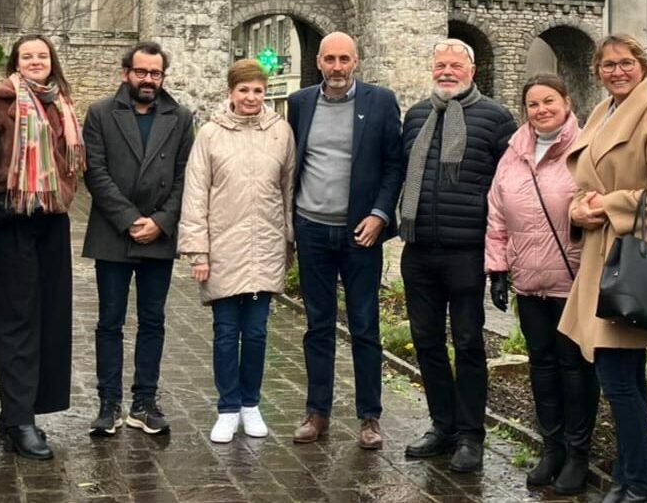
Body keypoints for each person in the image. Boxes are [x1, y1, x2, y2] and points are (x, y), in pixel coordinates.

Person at [560, 35, 647, 503]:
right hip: (602, 252)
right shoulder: (602, 112)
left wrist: (606, 206)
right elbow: (584, 180)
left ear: (642, 65)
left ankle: (641, 484)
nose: (616, 71)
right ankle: (628, 480)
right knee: (621, 377)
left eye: (625, 63)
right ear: (597, 71)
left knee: (616, 377)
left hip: (635, 254)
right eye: (607, 65)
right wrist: (578, 209)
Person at [400, 39, 516, 472]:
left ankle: (471, 435)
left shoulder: (495, 118)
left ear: (472, 70)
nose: (446, 72)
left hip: (467, 251)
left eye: (455, 65)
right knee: (427, 342)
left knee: (467, 343)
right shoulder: (416, 116)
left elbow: (510, 188)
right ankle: (442, 426)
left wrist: (503, 257)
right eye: (440, 65)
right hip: (419, 250)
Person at [287, 31, 403, 450]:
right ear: (318, 61)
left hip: (361, 234)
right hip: (313, 229)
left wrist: (380, 214)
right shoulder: (300, 104)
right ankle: (317, 412)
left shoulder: (380, 101)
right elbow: (295, 161)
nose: (337, 68)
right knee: (317, 326)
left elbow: (394, 166)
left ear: (357, 61)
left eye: (345, 60)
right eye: (330, 59)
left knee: (365, 326)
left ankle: (369, 417)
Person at [485, 73, 599, 493]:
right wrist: (497, 269)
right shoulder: (514, 153)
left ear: (567, 103)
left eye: (549, 101)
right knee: (542, 367)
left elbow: (597, 206)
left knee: (575, 368)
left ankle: (577, 453)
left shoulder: (585, 150)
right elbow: (496, 214)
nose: (542, 110)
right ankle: (551, 448)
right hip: (529, 281)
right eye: (533, 104)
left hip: (573, 281)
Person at [0, 35, 84, 460]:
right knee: (15, 322)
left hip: (51, 220)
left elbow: (69, 160)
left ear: (51, 60)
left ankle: (17, 411)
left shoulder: (62, 102)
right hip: (8, 219)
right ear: (14, 64)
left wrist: (65, 193)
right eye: (27, 56)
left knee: (49, 319)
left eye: (42, 55)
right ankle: (20, 423)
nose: (36, 61)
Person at [178, 59, 295, 443]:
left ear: (265, 93)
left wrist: (289, 241)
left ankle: (251, 405)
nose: (251, 97)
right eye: (243, 90)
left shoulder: (281, 132)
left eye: (258, 90)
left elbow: (288, 190)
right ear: (231, 92)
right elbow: (196, 194)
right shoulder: (210, 135)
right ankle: (228, 408)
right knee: (226, 332)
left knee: (257, 332)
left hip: (265, 244)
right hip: (223, 247)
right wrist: (198, 250)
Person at [83, 41, 194, 437]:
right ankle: (108, 402)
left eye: (156, 73)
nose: (148, 80)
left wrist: (160, 222)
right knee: (109, 321)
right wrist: (130, 219)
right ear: (126, 72)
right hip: (114, 231)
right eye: (141, 72)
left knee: (153, 321)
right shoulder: (100, 113)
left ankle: (144, 401)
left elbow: (185, 177)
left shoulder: (180, 117)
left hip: (158, 235)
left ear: (163, 76)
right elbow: (94, 172)